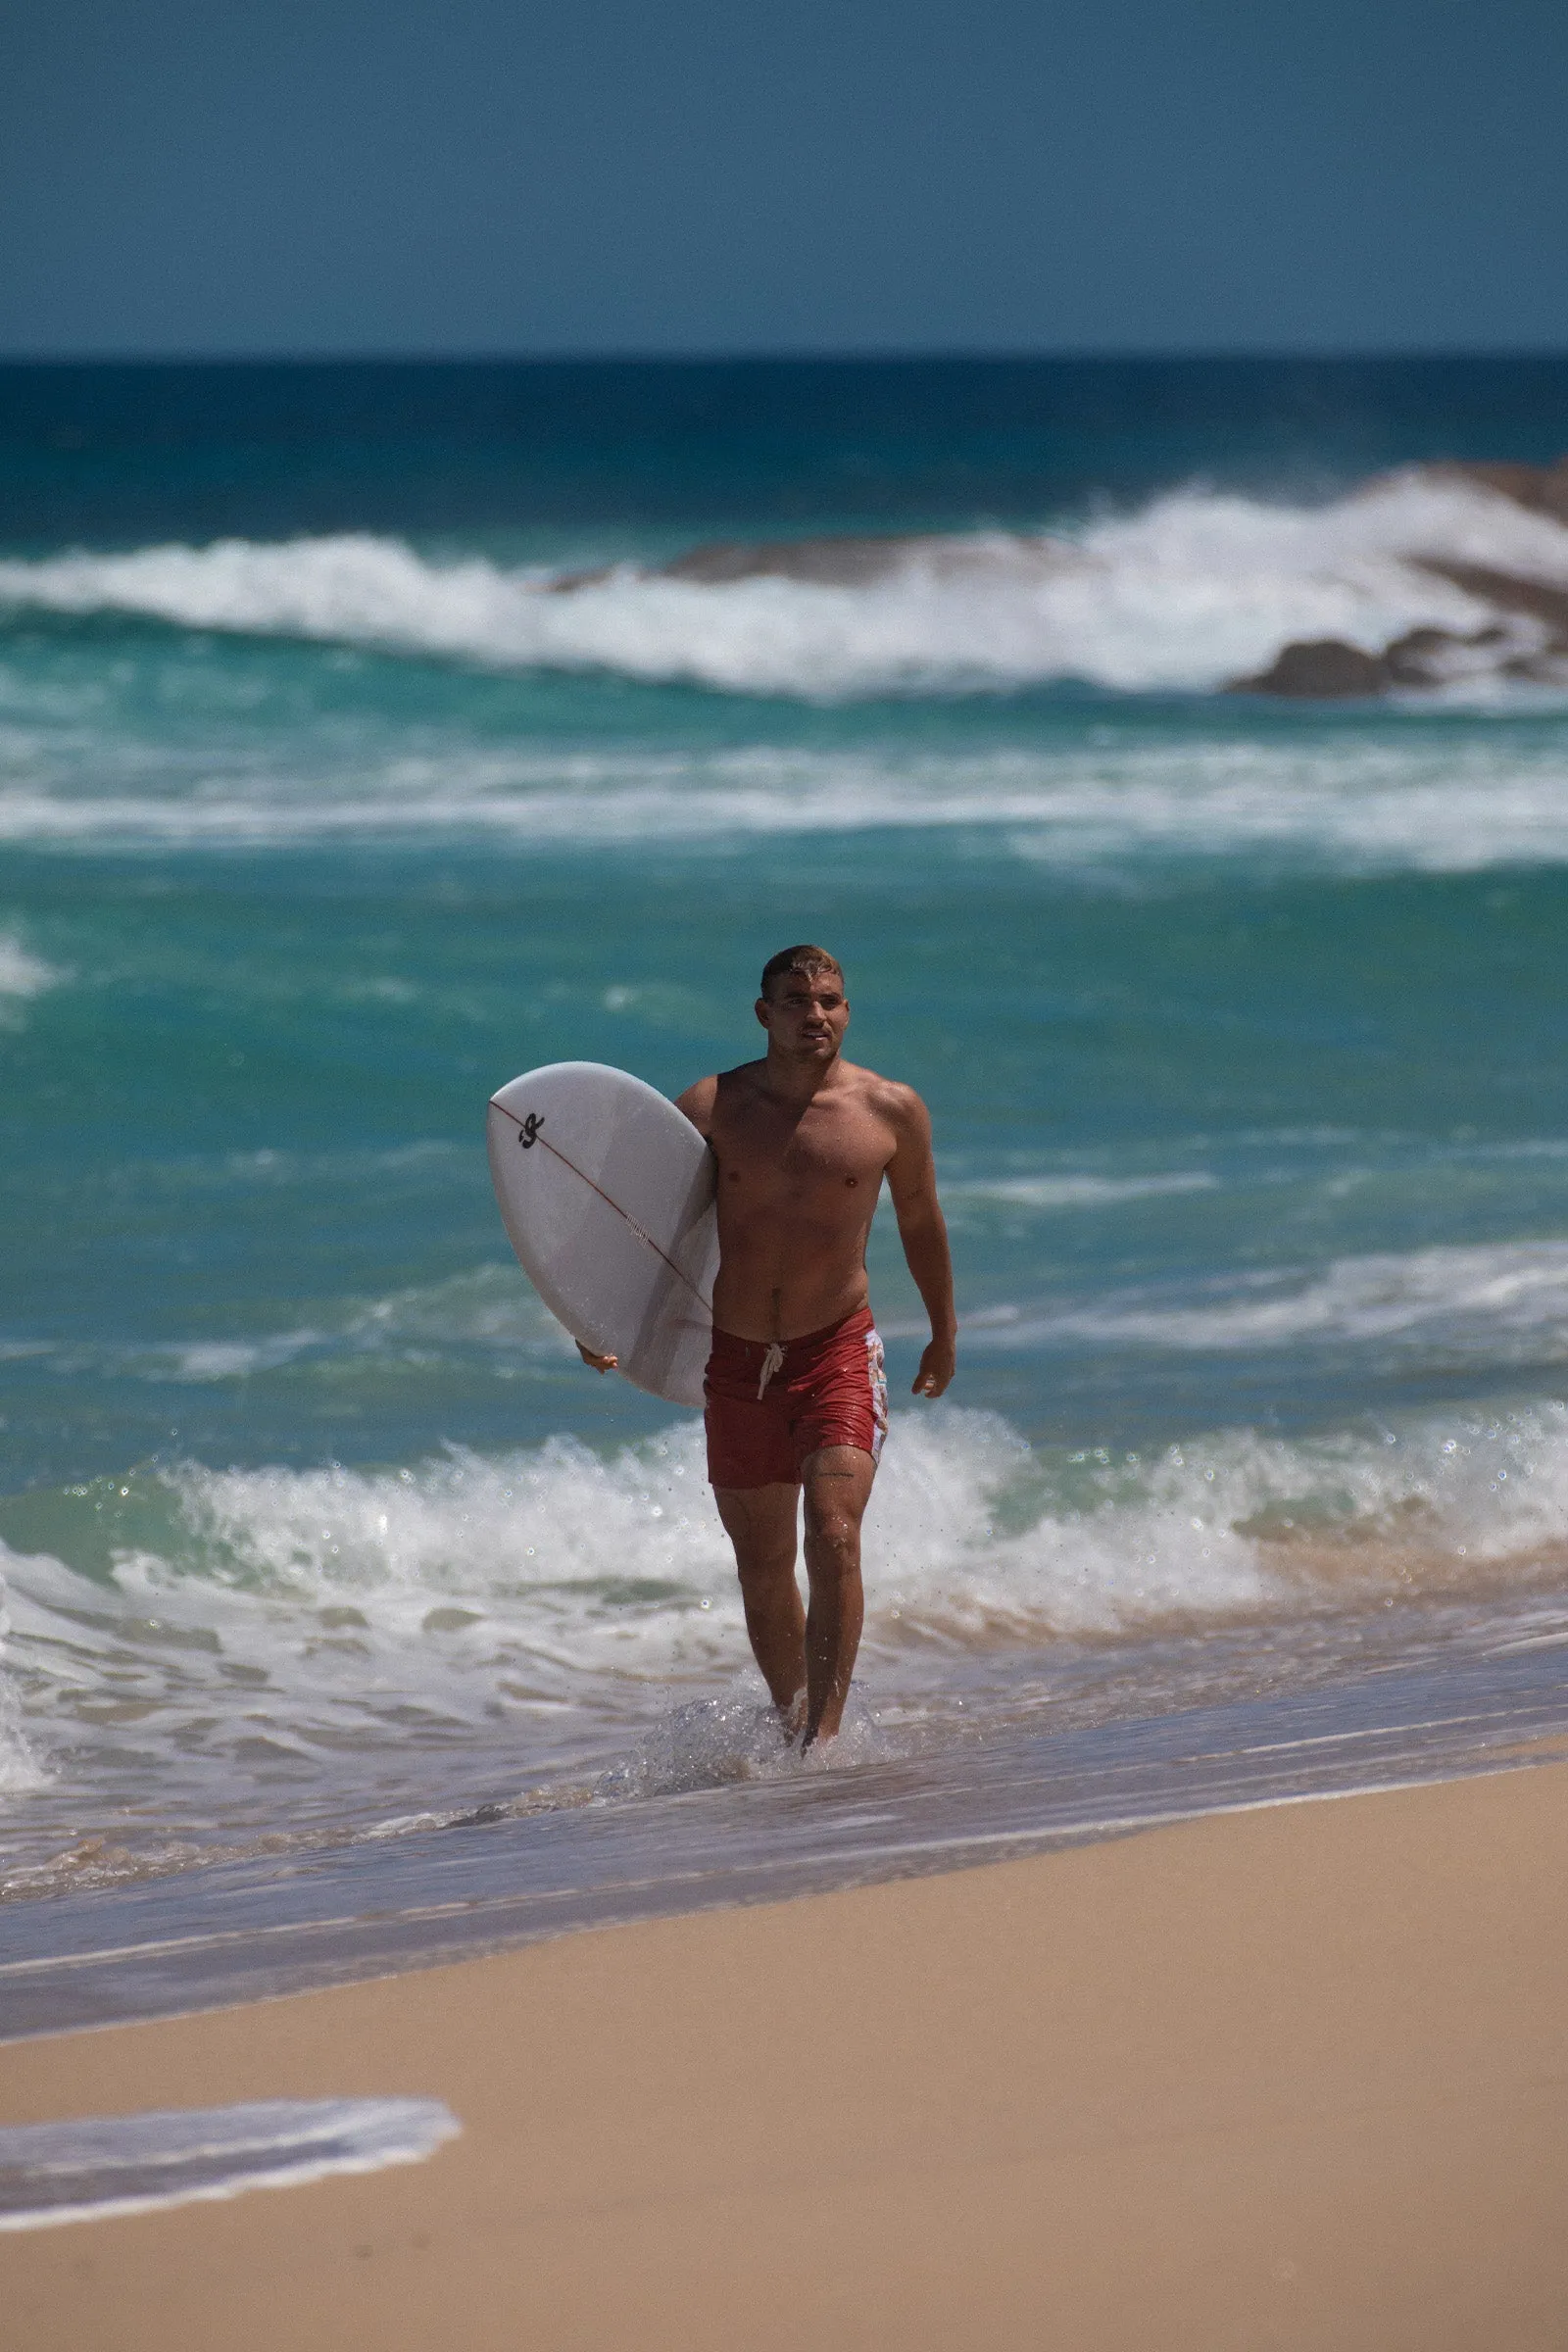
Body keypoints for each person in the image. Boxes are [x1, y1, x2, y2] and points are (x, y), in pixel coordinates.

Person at [577, 945, 956, 1748]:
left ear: (847, 1011)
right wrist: (598, 1320)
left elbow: (921, 1221)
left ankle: (822, 1737)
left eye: (830, 1000)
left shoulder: (889, 1112)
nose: (815, 1014)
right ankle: (794, 1729)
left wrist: (943, 1335)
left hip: (837, 1352)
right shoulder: (713, 1108)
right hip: (738, 1358)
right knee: (761, 1567)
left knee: (835, 1530)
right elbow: (647, 1228)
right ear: (764, 1014)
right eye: (796, 1000)